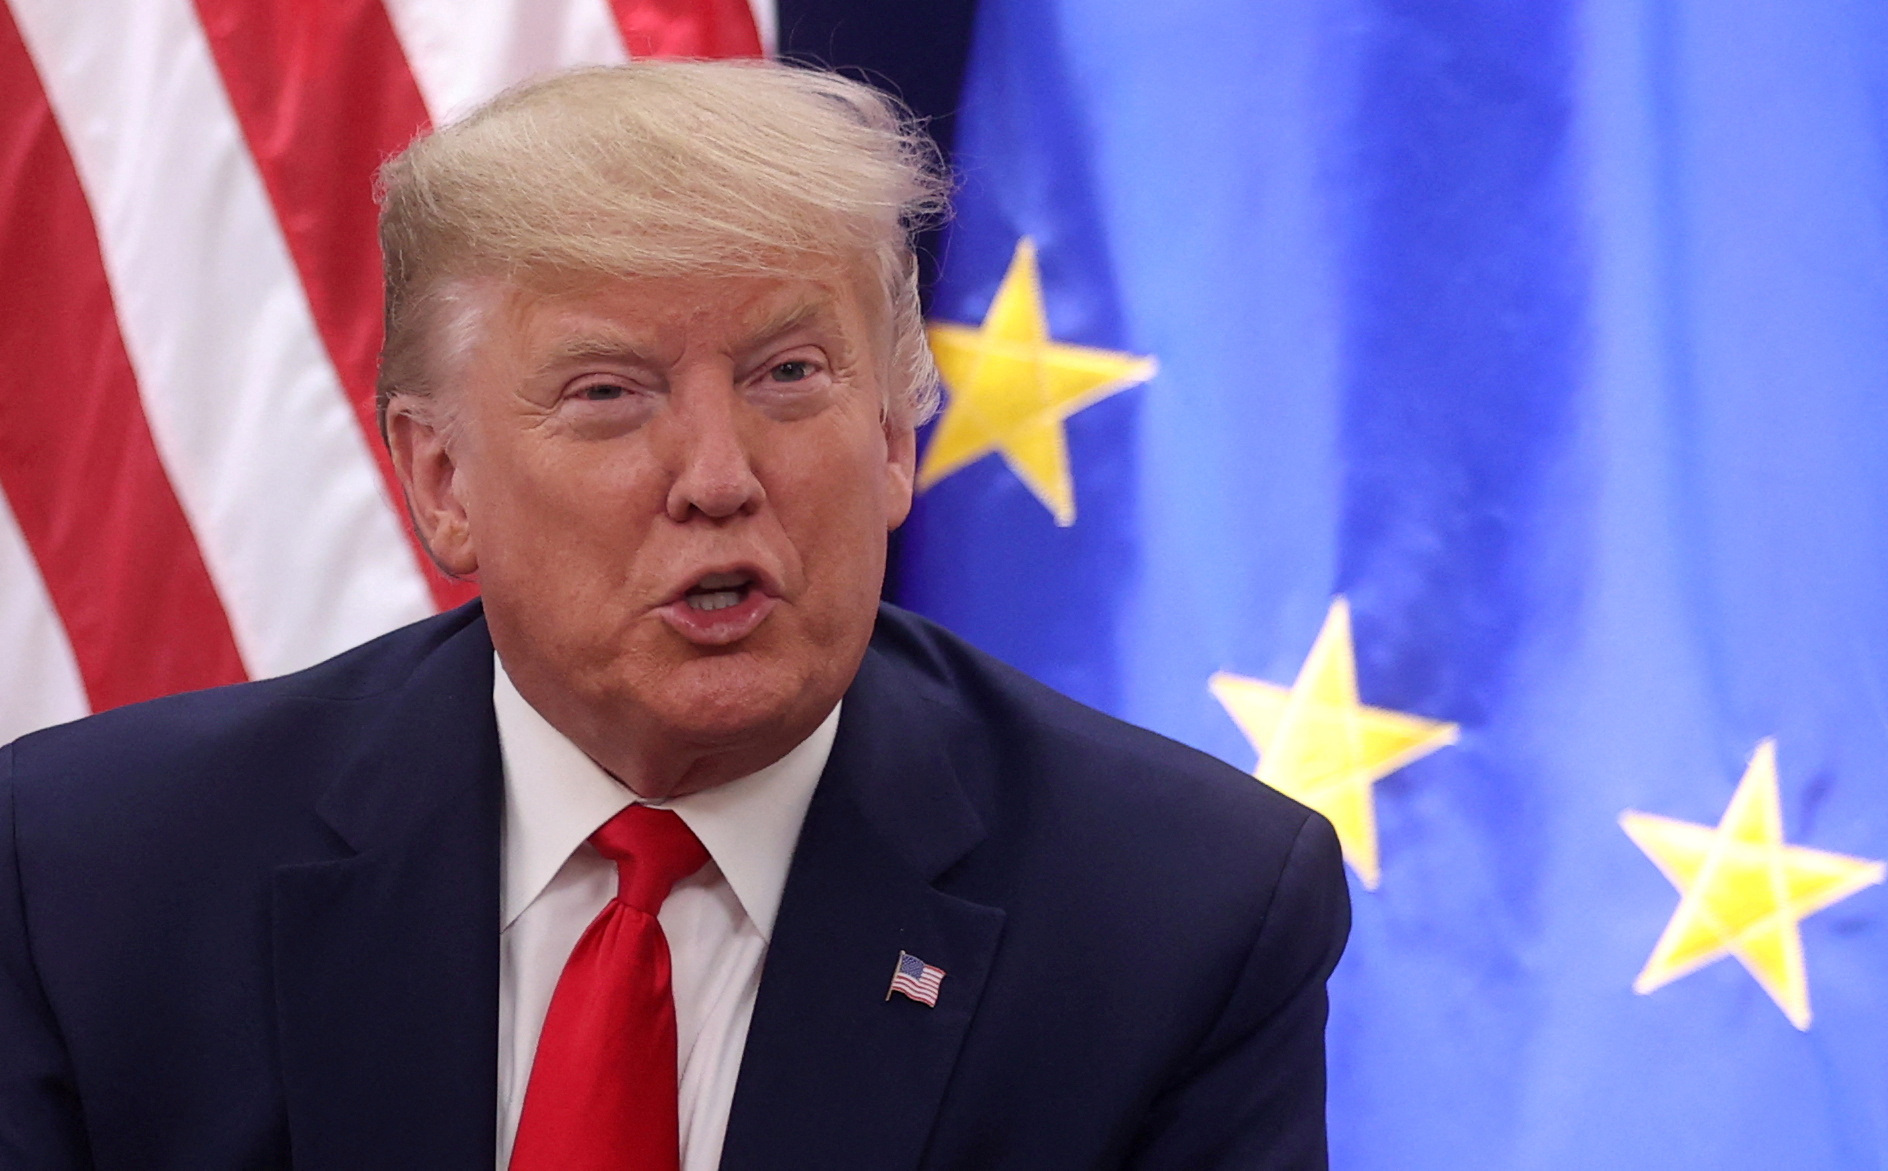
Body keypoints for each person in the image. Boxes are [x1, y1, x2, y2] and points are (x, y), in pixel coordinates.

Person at [0, 61, 1348, 1170]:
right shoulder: (98, 879)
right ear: (441, 479)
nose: (717, 476)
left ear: (893, 439)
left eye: (789, 374)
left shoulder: (1177, 918)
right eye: (608, 392)